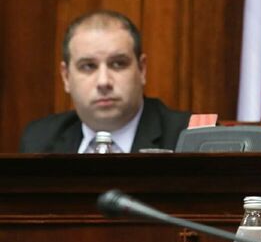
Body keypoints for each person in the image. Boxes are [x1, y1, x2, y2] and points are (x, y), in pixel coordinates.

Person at [19, 10, 191, 154]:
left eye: (118, 64)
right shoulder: (39, 140)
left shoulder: (186, 137)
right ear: (66, 77)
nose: (103, 82)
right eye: (88, 66)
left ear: (142, 69)